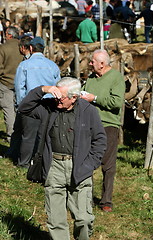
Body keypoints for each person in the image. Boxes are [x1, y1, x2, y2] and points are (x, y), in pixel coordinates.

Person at [17, 78, 107, 240]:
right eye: (56, 94)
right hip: (54, 166)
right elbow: (24, 108)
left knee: (84, 219)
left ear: (74, 97)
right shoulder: (49, 107)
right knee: (56, 220)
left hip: (80, 168)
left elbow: (100, 140)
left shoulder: (89, 111)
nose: (57, 99)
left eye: (62, 96)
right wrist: (43, 89)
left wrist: (90, 164)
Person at [81, 50, 125, 212]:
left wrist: (95, 99)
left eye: (93, 61)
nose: (90, 64)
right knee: (86, 161)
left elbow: (116, 102)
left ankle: (106, 200)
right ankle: (86, 197)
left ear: (102, 63)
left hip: (108, 126)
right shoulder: (91, 78)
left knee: (108, 164)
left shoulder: (116, 78)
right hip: (88, 125)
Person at [14, 37, 61, 168]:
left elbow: (19, 87)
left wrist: (21, 104)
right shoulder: (52, 65)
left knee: (28, 135)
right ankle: (41, 162)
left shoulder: (24, 65)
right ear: (44, 49)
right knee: (45, 134)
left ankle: (24, 163)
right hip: (49, 104)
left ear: (30, 48)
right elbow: (59, 84)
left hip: (31, 103)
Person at [0, 26, 23, 144]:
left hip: (6, 82)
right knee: (19, 109)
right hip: (21, 83)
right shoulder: (22, 47)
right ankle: (20, 135)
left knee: (9, 110)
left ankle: (11, 136)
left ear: (9, 35)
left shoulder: (3, 48)